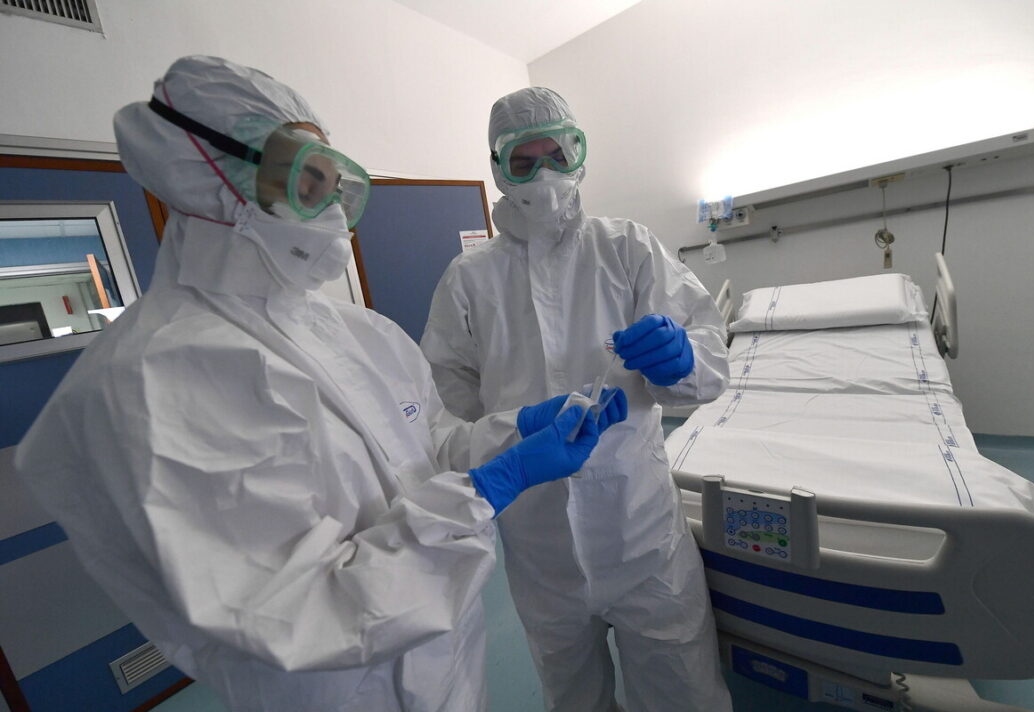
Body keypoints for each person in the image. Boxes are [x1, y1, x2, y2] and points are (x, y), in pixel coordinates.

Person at [14, 58, 626, 712]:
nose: (333, 210)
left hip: (449, 664)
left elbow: (430, 447)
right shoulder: (155, 375)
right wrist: (487, 490)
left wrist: (513, 435)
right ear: (203, 172)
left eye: (335, 185)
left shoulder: (356, 332)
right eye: (305, 179)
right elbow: (303, 611)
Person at [421, 87, 734, 712]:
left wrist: (683, 361)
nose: (544, 175)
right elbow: (443, 415)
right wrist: (512, 436)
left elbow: (708, 357)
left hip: (641, 532)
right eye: (523, 161)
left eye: (556, 155)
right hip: (539, 549)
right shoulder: (469, 280)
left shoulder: (628, 248)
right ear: (498, 170)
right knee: (572, 696)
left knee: (684, 693)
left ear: (577, 153)